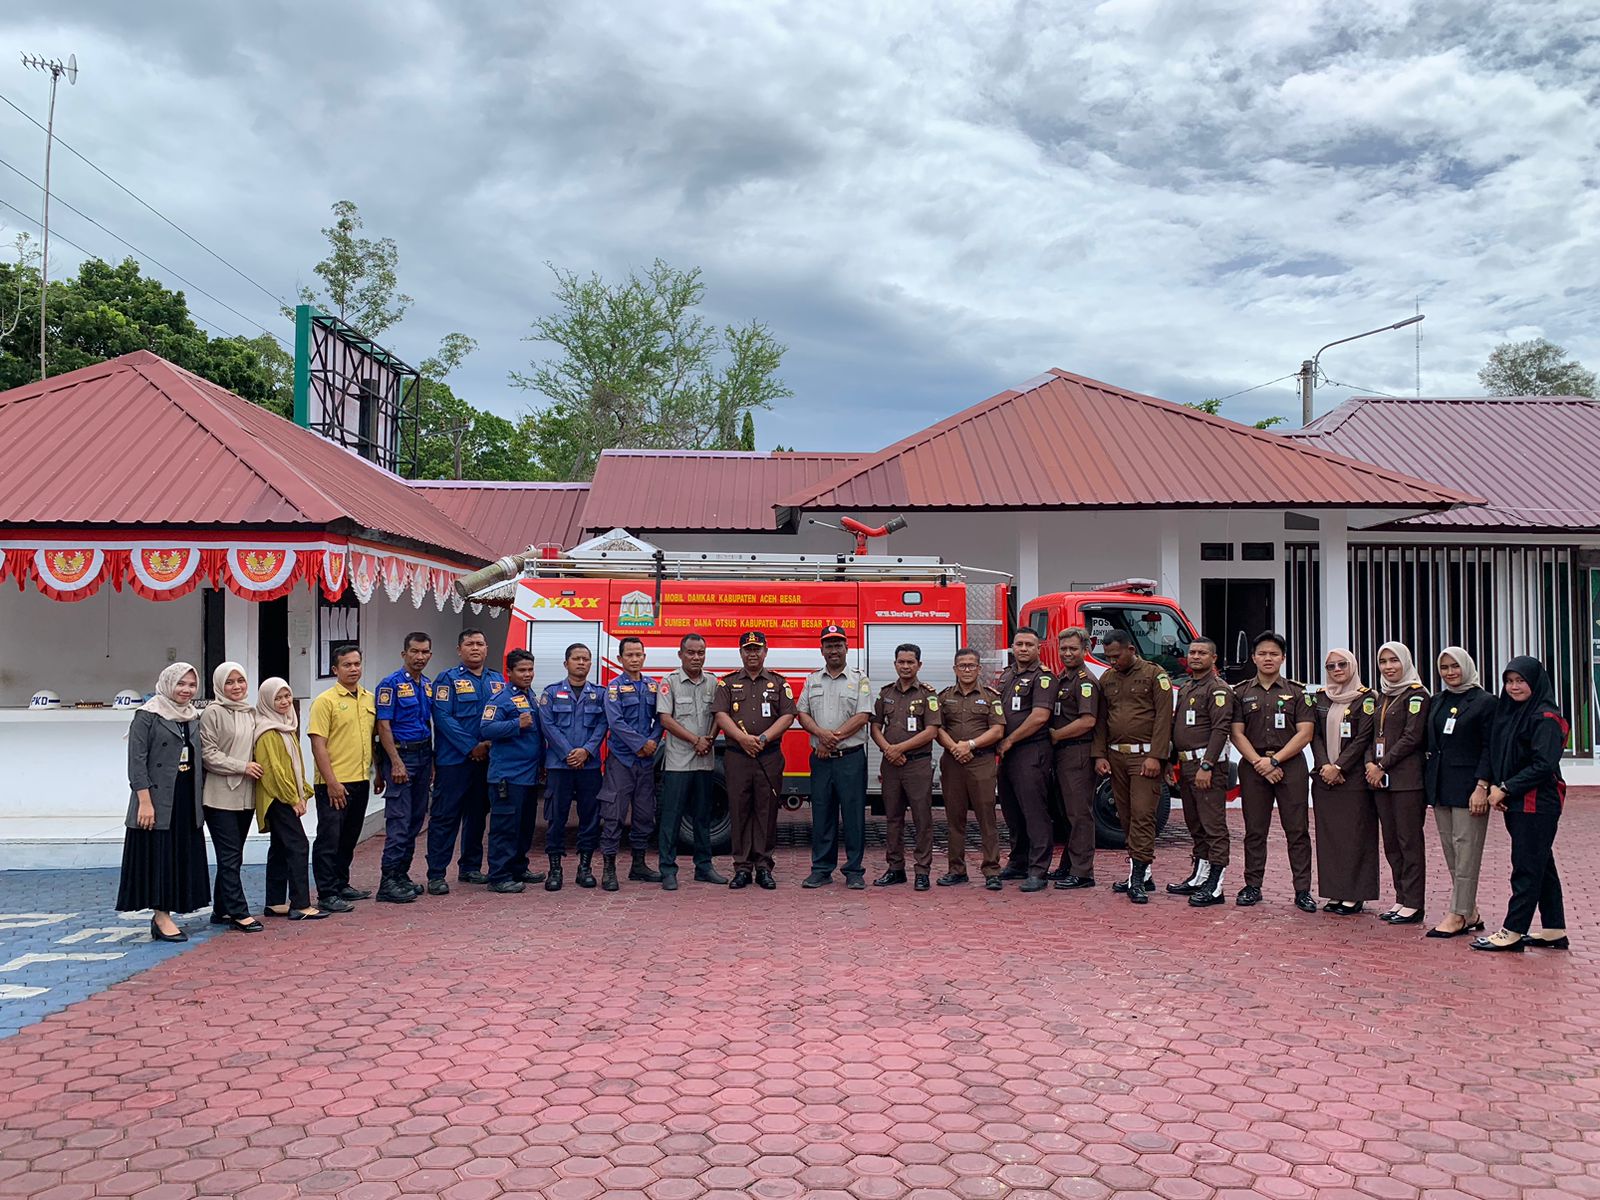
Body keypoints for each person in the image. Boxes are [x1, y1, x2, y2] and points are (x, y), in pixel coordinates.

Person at [1473, 656, 1570, 953]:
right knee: (1541, 863)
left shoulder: (1545, 717)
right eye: (1509, 681)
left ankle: (1513, 930)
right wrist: (1497, 787)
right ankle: (1554, 928)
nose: (1514, 687)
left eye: (1521, 681)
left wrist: (1506, 788)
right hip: (1518, 800)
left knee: (1526, 866)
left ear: (1535, 682)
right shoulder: (1510, 713)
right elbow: (1499, 753)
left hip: (1537, 802)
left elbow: (1544, 764)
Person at [118, 663, 209, 941]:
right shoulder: (147, 715)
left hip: (185, 797)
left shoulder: (192, 716)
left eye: (192, 685)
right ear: (168, 683)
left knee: (179, 854)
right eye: (181, 684)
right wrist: (145, 801)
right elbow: (136, 762)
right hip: (157, 798)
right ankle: (161, 915)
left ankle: (173, 910)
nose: (186, 690)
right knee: (160, 856)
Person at [1230, 632, 1317, 912]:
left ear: (1283, 658)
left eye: (1274, 654)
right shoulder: (1241, 692)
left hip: (1290, 767)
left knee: (1298, 831)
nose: (1268, 658)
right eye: (1263, 653)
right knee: (1255, 831)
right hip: (1254, 767)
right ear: (1254, 657)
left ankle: (1302, 890)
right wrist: (1261, 763)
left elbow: (1305, 733)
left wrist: (1275, 762)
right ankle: (1252, 885)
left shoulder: (1296, 692)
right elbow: (1236, 734)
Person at [1092, 629, 1173, 904]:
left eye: (1117, 655)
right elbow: (1102, 720)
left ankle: (1137, 878)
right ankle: (1141, 872)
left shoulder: (1154, 675)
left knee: (1142, 815)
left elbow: (1164, 719)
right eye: (1109, 656)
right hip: (1116, 757)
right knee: (1125, 816)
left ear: (1130, 649)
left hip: (1145, 757)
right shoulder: (1107, 678)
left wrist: (1157, 757)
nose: (1113, 661)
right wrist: (1099, 755)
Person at [712, 630, 796, 890]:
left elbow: (788, 716)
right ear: (741, 653)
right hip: (738, 756)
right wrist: (742, 739)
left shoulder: (779, 683)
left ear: (765, 652)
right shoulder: (726, 683)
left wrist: (763, 738)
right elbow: (720, 715)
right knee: (739, 811)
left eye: (757, 649)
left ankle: (763, 866)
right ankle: (741, 868)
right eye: (747, 649)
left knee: (766, 811)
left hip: (768, 756)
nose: (752, 653)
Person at [796, 625, 874, 890]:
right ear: (821, 650)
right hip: (821, 759)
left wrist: (831, 738)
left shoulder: (859, 679)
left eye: (838, 645)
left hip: (850, 758)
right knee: (822, 814)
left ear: (846, 648)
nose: (833, 650)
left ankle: (854, 870)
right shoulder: (812, 680)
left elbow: (863, 715)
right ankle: (821, 869)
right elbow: (802, 714)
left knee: (853, 816)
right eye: (828, 645)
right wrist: (820, 734)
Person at [1425, 647, 1495, 938]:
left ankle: (1457, 915)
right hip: (1442, 786)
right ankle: (1470, 910)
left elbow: (1491, 747)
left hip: (1470, 788)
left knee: (1467, 850)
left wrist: (1482, 786)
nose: (1450, 672)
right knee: (1452, 851)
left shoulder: (1485, 702)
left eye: (1455, 666)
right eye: (1444, 667)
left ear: (1467, 666)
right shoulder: (1438, 700)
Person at [427, 629, 503, 893]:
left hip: (487, 762)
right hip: (454, 762)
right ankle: (436, 873)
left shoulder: (497, 680)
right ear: (459, 649)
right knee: (445, 817)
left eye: (480, 644)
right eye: (469, 644)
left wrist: (488, 747)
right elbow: (443, 718)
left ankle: (470, 868)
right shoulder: (447, 679)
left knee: (477, 815)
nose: (475, 648)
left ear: (486, 648)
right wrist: (472, 747)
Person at [308, 644, 379, 914]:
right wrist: (332, 783)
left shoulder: (368, 698)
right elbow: (318, 745)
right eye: (347, 665)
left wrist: (377, 772)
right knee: (329, 838)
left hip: (360, 779)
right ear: (335, 669)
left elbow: (372, 740)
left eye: (357, 664)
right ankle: (326, 892)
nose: (353, 669)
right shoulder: (325, 701)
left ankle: (341, 883)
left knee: (349, 837)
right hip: (334, 783)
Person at [1309, 649, 1378, 915]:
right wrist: (1325, 765)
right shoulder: (1320, 698)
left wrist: (1339, 766)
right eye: (1330, 666)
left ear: (1353, 666)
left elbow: (1364, 737)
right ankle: (1335, 892)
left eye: (1342, 664)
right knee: (1330, 838)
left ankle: (1355, 894)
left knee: (1356, 836)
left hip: (1353, 779)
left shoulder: (1367, 698)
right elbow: (1313, 734)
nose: (1336, 669)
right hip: (1325, 778)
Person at [252, 678, 327, 920]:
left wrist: (303, 793)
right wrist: (293, 798)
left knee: (280, 847)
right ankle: (300, 904)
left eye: (286, 696)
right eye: (278, 698)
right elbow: (273, 772)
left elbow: (293, 765)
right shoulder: (267, 730)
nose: (284, 702)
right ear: (266, 701)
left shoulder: (284, 725)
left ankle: (275, 902)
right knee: (298, 846)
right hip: (277, 799)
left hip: (284, 797)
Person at [1167, 638, 1233, 907]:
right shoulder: (1186, 687)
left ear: (1213, 658)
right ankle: (1200, 877)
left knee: (1213, 826)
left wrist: (1207, 765)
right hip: (1186, 764)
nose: (1195, 656)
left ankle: (1216, 887)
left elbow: (1220, 729)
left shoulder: (1218, 689)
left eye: (1202, 653)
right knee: (1196, 824)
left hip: (1207, 766)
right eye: (1192, 652)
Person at [1367, 641, 1430, 925]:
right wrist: (1370, 762)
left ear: (1406, 662)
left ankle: (1415, 904)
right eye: (1383, 661)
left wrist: (1380, 765)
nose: (1389, 667)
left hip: (1406, 780)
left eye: (1394, 661)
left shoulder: (1416, 694)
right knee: (1391, 842)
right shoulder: (1382, 696)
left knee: (1409, 841)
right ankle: (1401, 898)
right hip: (1381, 780)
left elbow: (1412, 737)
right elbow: (1370, 735)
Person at [870, 642, 942, 892]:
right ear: (895, 664)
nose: (905, 666)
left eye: (911, 662)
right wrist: (888, 750)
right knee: (893, 818)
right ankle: (895, 869)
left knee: (922, 819)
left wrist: (899, 749)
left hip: (917, 765)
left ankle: (922, 871)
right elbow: (875, 726)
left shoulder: (928, 695)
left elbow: (932, 731)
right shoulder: (885, 693)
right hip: (891, 765)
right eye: (901, 662)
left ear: (919, 665)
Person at [199, 661, 265, 932]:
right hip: (220, 795)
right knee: (228, 855)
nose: (236, 687)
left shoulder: (250, 712)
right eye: (230, 682)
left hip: (245, 795)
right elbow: (208, 754)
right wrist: (242, 766)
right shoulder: (212, 713)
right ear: (219, 685)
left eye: (241, 681)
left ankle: (222, 909)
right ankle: (240, 912)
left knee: (234, 855)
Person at [657, 634, 726, 890]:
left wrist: (709, 738)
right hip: (678, 762)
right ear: (680, 654)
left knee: (703, 817)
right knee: (672, 817)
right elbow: (666, 719)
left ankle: (704, 867)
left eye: (701, 653)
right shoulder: (670, 682)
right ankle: (668, 869)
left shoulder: (713, 682)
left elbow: (720, 714)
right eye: (691, 653)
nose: (696, 657)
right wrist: (695, 740)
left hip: (705, 762)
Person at [935, 648, 1006, 890]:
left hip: (981, 763)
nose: (966, 669)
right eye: (962, 665)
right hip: (953, 763)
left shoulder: (990, 697)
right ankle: (956, 870)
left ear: (979, 669)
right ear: (954, 669)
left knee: (987, 818)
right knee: (955, 819)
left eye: (971, 665)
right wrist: (955, 747)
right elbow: (936, 727)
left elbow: (997, 730)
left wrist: (970, 745)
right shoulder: (944, 697)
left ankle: (992, 871)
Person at [538, 643, 607, 890]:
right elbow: (547, 725)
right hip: (560, 766)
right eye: (576, 659)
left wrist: (586, 751)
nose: (581, 663)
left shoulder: (600, 693)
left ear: (591, 664)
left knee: (590, 817)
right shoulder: (551, 693)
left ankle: (585, 868)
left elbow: (602, 726)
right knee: (556, 817)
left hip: (589, 767)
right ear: (566, 663)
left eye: (586, 659)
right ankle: (554, 869)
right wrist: (569, 752)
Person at [996, 628, 1060, 893]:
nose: (1023, 649)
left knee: (1034, 812)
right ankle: (1018, 861)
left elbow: (1039, 717)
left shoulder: (1043, 678)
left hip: (1030, 751)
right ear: (1012, 647)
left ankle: (1038, 869)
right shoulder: (1008, 675)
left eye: (1028, 645)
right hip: (1007, 753)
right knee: (1012, 810)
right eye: (1019, 644)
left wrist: (1010, 740)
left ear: (1038, 649)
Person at [599, 636, 664, 890]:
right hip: (621, 761)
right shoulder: (613, 689)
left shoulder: (652, 687)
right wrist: (640, 744)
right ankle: (609, 869)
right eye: (630, 655)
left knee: (645, 814)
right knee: (613, 814)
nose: (635, 659)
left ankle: (638, 866)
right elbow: (616, 723)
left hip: (645, 762)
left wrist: (653, 742)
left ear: (644, 658)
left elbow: (661, 718)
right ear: (620, 659)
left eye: (639, 655)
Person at [374, 633, 435, 904]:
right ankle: (387, 882)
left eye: (424, 652)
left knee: (415, 820)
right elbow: (382, 726)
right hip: (401, 757)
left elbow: (428, 724)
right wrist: (395, 762)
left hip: (423, 756)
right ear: (404, 654)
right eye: (414, 651)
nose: (419, 657)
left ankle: (401, 875)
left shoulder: (428, 685)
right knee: (399, 821)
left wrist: (431, 761)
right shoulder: (390, 685)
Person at [480, 649, 546, 894]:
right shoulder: (500, 699)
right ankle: (499, 875)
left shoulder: (531, 697)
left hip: (528, 775)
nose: (527, 674)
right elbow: (486, 729)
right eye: (521, 670)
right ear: (509, 672)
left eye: (530, 670)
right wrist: (516, 724)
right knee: (505, 827)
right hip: (507, 775)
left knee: (524, 826)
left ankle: (518, 867)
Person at [1048, 627, 1099, 889]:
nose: (1067, 653)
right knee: (1066, 813)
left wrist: (1056, 735)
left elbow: (1087, 721)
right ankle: (1068, 865)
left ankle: (1083, 872)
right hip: (1062, 755)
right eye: (1064, 648)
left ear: (1085, 651)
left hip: (1077, 752)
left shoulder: (1085, 681)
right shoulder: (1063, 678)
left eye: (1073, 649)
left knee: (1079, 814)